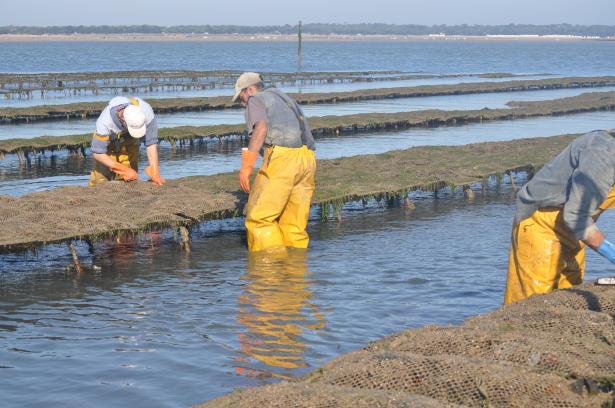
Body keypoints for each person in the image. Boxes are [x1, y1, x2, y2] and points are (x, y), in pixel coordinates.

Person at [504, 129, 615, 304]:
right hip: (541, 226)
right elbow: (576, 215)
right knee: (532, 307)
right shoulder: (602, 156)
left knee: (570, 301)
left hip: (576, 233)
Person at [233, 72, 316, 253]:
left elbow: (261, 129)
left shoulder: (256, 99)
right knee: (293, 222)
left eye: (241, 98)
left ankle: (268, 272)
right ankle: (295, 271)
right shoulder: (284, 97)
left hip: (282, 159)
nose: (243, 103)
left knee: (259, 219)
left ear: (250, 89)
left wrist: (247, 166)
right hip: (307, 158)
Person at [89, 96, 165, 187]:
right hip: (108, 140)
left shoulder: (146, 111)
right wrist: (123, 170)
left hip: (129, 139)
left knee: (130, 180)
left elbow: (151, 144)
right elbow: (98, 153)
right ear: (123, 120)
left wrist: (155, 171)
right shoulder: (104, 122)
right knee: (99, 180)